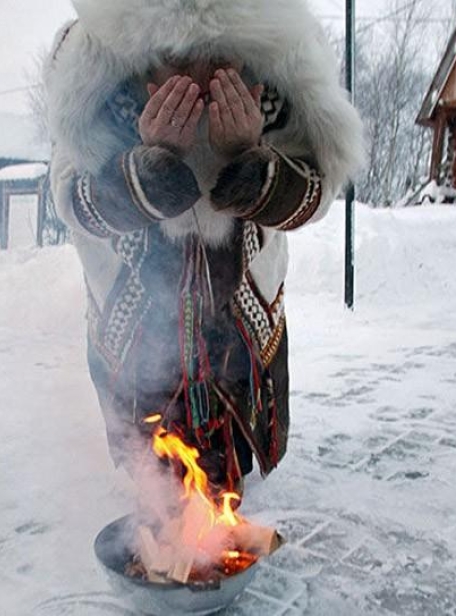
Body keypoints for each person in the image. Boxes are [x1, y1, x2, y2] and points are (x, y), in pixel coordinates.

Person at [43, 0, 364, 495]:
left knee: (232, 479)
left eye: (219, 59)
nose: (198, 78)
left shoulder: (279, 75)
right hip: (134, 333)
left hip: (243, 332)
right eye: (178, 62)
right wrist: (145, 172)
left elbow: (317, 191)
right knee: (151, 473)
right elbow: (71, 199)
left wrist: (253, 165)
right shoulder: (93, 73)